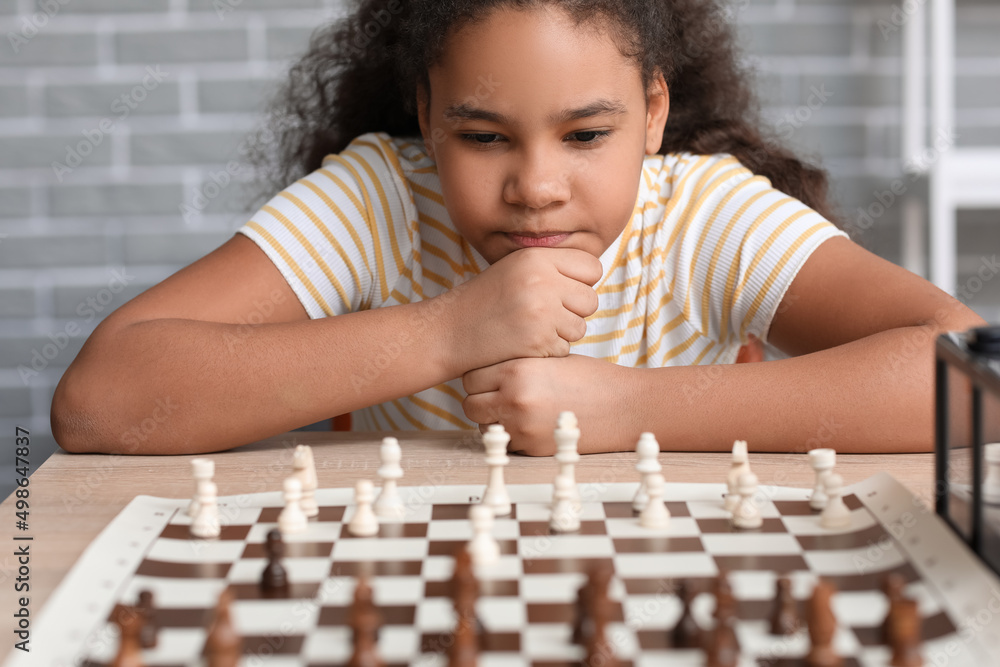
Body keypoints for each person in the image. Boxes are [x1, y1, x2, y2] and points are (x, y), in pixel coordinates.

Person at [50, 0, 985, 457]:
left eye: (586, 134)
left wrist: (635, 409)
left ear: (653, 114)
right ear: (426, 114)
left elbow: (975, 378)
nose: (536, 186)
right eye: (483, 135)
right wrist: (449, 328)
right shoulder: (381, 200)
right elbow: (97, 403)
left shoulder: (703, 215)